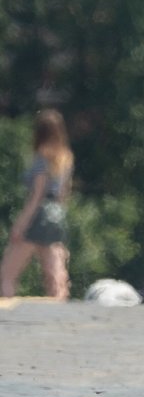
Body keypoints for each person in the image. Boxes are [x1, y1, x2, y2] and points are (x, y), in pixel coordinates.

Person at [1, 110, 74, 300]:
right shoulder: (65, 157)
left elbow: (37, 195)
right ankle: (61, 309)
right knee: (54, 274)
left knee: (7, 273)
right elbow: (63, 194)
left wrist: (20, 225)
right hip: (56, 215)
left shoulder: (42, 158)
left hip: (38, 215)